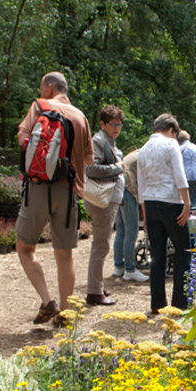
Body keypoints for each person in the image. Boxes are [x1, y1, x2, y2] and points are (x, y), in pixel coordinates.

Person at [15, 72, 94, 325]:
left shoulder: (40, 106)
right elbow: (89, 159)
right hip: (69, 190)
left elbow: (22, 139)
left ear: (49, 87)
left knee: (25, 248)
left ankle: (47, 301)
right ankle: (66, 313)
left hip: (38, 187)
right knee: (65, 255)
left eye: (41, 86)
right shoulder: (80, 116)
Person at [137, 114, 191, 313]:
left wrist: (144, 212)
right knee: (183, 251)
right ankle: (180, 302)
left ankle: (157, 304)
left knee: (157, 255)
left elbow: (141, 184)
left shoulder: (142, 149)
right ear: (171, 130)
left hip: (151, 203)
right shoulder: (170, 144)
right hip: (171, 202)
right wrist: (187, 203)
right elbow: (179, 174)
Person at [84, 105, 125, 306]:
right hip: (102, 201)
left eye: (119, 124)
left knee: (103, 244)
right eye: (112, 124)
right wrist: (117, 167)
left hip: (108, 200)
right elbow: (91, 168)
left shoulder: (108, 141)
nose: (116, 128)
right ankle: (93, 292)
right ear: (103, 124)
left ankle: (97, 286)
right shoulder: (99, 141)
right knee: (101, 245)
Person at [111, 148, 148, 282]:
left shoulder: (135, 154)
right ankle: (130, 269)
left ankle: (118, 266)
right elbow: (144, 184)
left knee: (121, 230)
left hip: (119, 189)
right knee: (131, 231)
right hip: (128, 191)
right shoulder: (146, 155)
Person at [178, 131, 196, 209]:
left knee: (184, 201)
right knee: (194, 201)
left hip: (186, 177)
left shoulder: (179, 149)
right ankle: (194, 218)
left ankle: (186, 219)